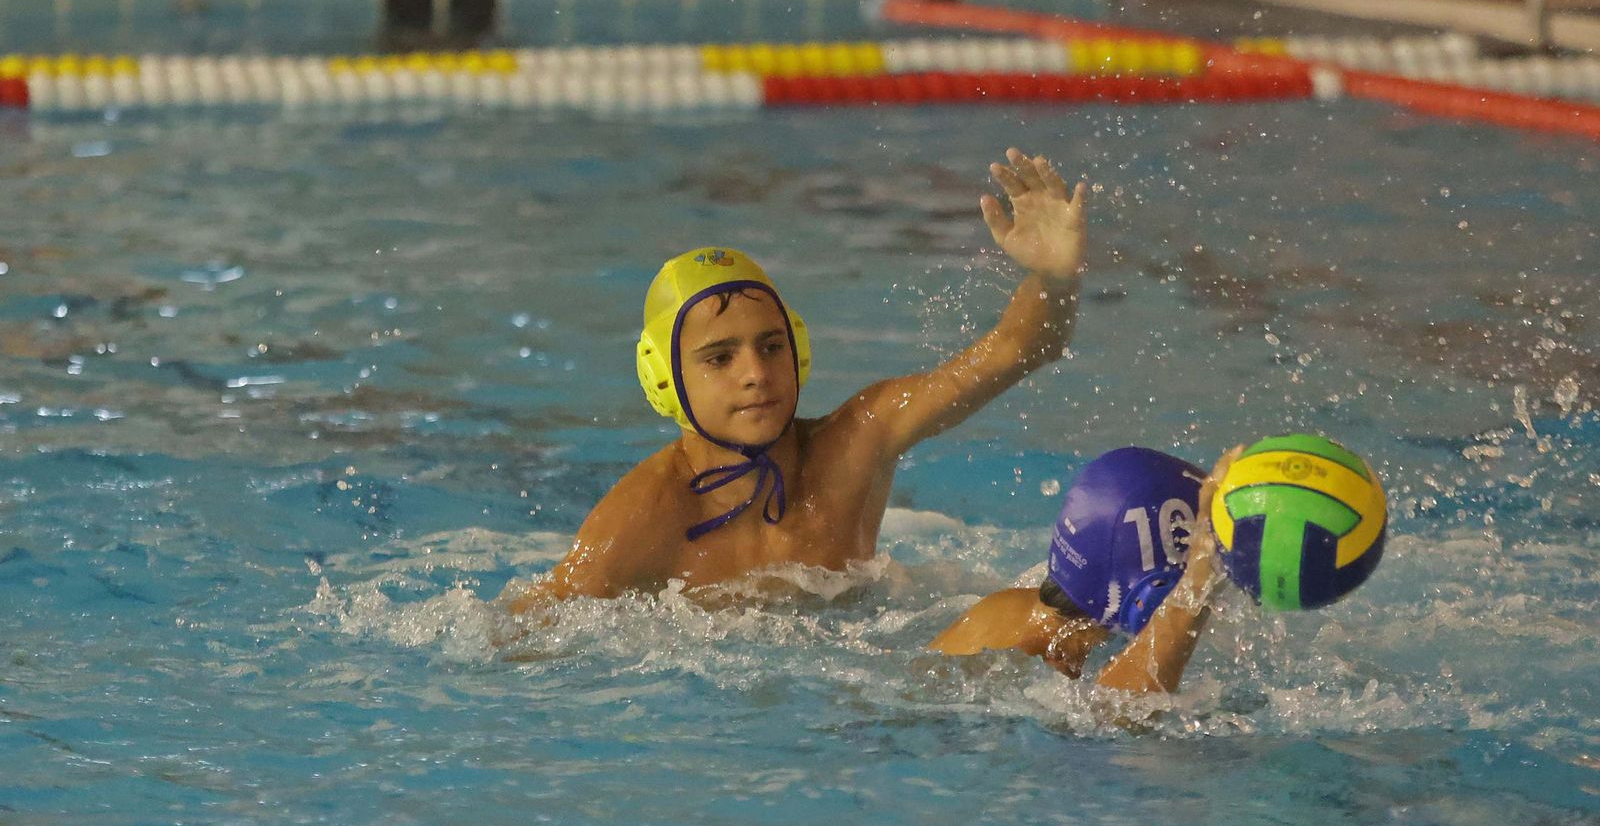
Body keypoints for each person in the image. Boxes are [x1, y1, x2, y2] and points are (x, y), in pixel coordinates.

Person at [497, 148, 1086, 613]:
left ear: (798, 350)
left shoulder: (861, 439)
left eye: (771, 346)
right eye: (719, 358)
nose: (756, 374)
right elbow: (523, 635)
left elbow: (1019, 349)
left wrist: (1054, 278)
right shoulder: (645, 515)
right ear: (664, 379)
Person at [927, 446, 1241, 694]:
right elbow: (1116, 714)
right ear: (1151, 592)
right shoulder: (1021, 657)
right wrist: (1200, 577)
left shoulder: (1014, 610)